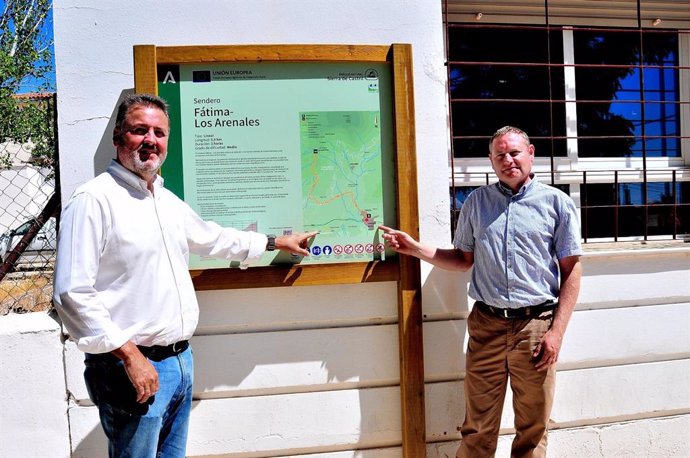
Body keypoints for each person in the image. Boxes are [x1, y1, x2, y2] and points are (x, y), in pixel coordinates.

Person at [53, 93, 317, 458]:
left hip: (178, 363)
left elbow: (212, 238)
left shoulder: (163, 199)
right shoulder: (94, 200)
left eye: (159, 133)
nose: (150, 140)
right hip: (130, 367)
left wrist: (275, 241)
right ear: (118, 137)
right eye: (139, 130)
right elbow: (71, 292)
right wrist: (131, 356)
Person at [379, 126, 582, 457]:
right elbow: (462, 259)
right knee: (477, 427)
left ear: (531, 154)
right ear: (491, 161)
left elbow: (571, 270)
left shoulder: (556, 204)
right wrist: (417, 249)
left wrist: (556, 332)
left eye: (514, 152)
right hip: (487, 325)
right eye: (499, 154)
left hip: (535, 328)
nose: (508, 160)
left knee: (532, 428)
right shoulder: (477, 202)